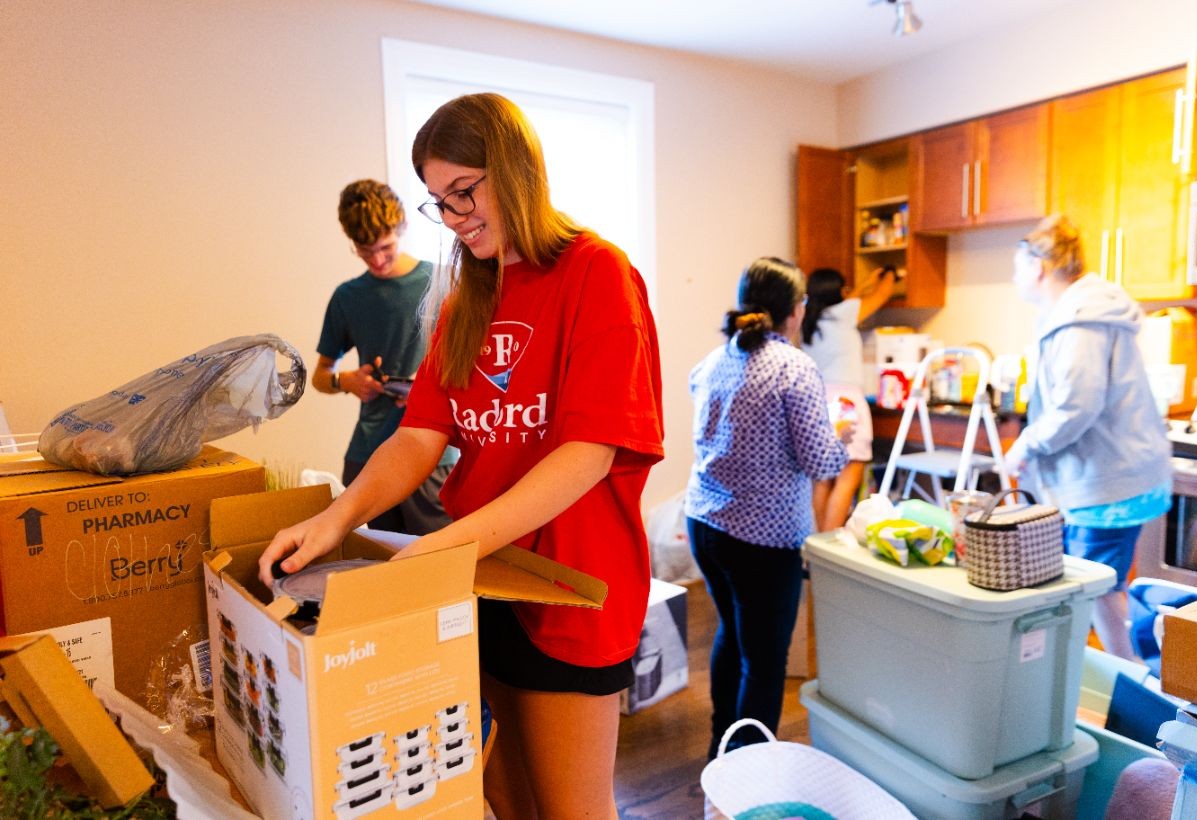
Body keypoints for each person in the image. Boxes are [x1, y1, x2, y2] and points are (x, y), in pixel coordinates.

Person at [259, 93, 663, 819]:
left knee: (572, 806)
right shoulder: (466, 296)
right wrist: (335, 517)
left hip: (572, 586)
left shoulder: (597, 273)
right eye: (438, 201)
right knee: (502, 797)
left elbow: (587, 455)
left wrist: (442, 548)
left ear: (516, 170)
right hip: (488, 580)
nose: (451, 217)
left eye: (464, 192)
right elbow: (418, 436)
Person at [685, 256, 850, 759]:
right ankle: (751, 764)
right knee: (765, 658)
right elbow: (821, 459)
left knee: (732, 636)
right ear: (796, 311)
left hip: (705, 522)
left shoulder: (715, 360)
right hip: (763, 537)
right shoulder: (795, 367)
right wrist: (841, 436)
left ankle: (723, 745)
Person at [1003, 214, 1172, 659]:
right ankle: (1124, 679)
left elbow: (1076, 404)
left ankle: (1133, 684)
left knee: (1096, 587)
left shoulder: (1080, 321)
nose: (1015, 277)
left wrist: (1026, 443)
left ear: (1038, 266)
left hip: (1107, 482)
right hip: (1105, 476)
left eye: (1018, 266)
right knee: (1096, 587)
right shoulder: (1079, 313)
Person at [314, 179, 457, 534]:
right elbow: (321, 375)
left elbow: (476, 368)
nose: (377, 260)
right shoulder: (348, 297)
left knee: (438, 573)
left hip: (432, 457)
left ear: (403, 226)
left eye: (385, 248)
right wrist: (347, 381)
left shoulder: (444, 282)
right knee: (375, 569)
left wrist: (428, 392)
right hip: (368, 456)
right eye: (365, 251)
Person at [799, 265, 897, 530]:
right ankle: (830, 549)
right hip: (846, 404)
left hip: (818, 402)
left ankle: (815, 548)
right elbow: (884, 293)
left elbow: (853, 296)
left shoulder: (808, 320)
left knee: (822, 479)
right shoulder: (843, 314)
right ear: (837, 293)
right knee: (848, 475)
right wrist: (890, 272)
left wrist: (866, 282)